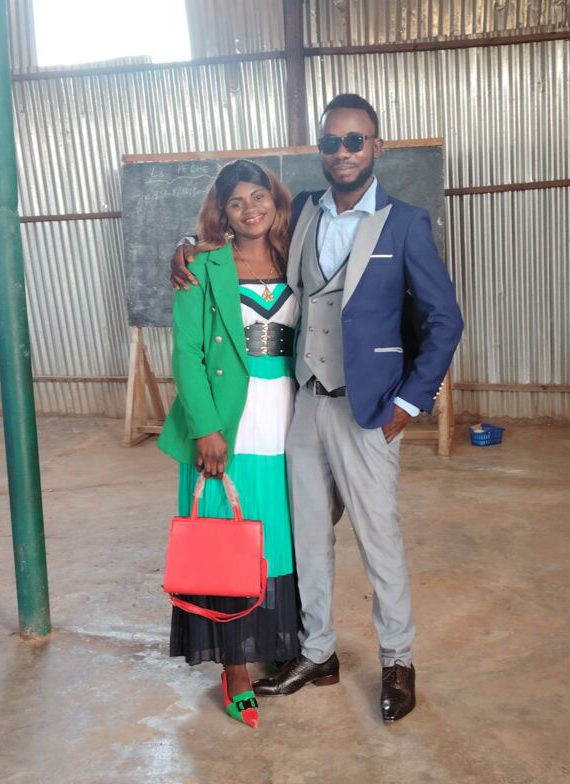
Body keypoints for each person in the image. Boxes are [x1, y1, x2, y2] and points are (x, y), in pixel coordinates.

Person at [170, 94, 464, 723]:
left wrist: (410, 402)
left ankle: (398, 660)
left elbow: (445, 320)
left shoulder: (406, 223)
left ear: (376, 147)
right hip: (303, 405)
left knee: (378, 538)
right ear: (321, 151)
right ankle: (318, 652)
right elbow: (231, 234)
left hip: (369, 409)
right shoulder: (300, 211)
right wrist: (187, 243)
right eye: (332, 142)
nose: (343, 152)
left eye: (355, 141)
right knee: (306, 536)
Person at [158, 159, 300, 728]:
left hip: (288, 418)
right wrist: (206, 428)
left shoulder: (296, 254)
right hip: (226, 422)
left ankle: (274, 642)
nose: (250, 209)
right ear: (222, 212)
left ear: (275, 199)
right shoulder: (202, 265)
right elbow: (187, 353)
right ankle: (235, 669)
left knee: (275, 539)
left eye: (258, 196)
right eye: (236, 202)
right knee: (224, 542)